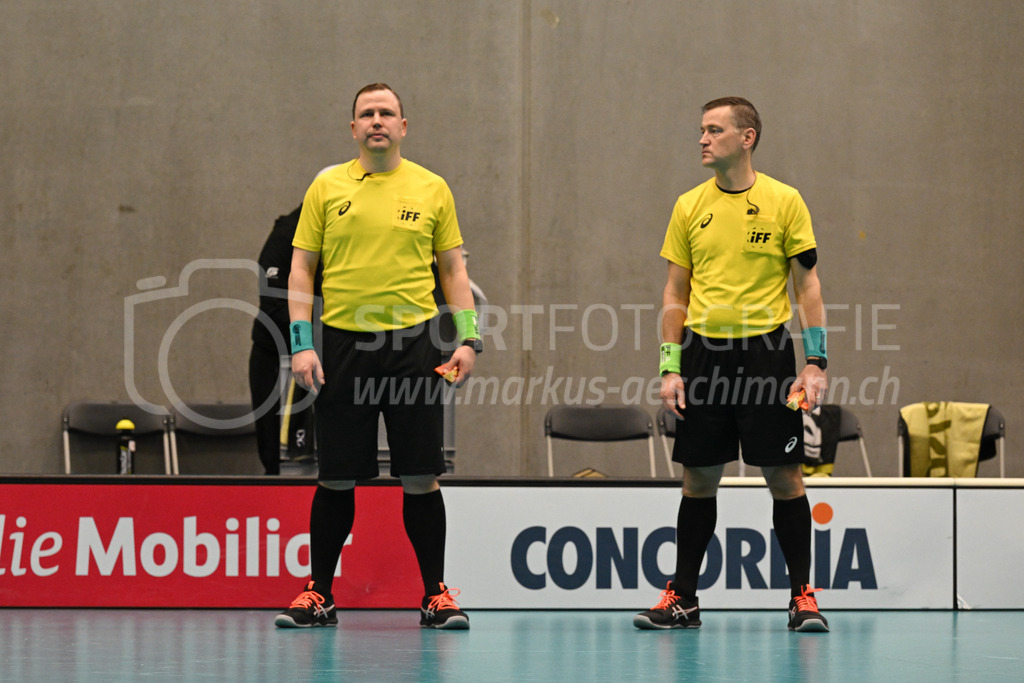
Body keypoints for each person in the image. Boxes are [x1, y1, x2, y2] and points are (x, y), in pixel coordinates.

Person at [275, 83, 482, 630]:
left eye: (386, 113)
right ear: (353, 129)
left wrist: (469, 339)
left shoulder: (432, 187)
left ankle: (435, 595)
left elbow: (453, 270)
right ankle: (319, 594)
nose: (376, 121)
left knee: (420, 475)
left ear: (403, 126)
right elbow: (301, 269)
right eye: (366, 114)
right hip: (344, 345)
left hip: (414, 347)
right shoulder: (326, 186)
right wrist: (301, 343)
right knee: (336, 476)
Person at [634, 97, 829, 632]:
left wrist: (815, 361)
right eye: (701, 129)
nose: (702, 138)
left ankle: (802, 598)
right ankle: (684, 599)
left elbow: (807, 285)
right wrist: (670, 366)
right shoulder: (688, 206)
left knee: (785, 477)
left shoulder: (785, 201)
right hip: (703, 356)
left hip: (767, 355)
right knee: (698, 479)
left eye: (714, 130)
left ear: (747, 138)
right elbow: (675, 291)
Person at [248, 205, 320, 475]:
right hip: (276, 352)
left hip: (326, 348)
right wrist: (307, 343)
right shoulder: (289, 231)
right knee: (278, 461)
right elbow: (273, 300)